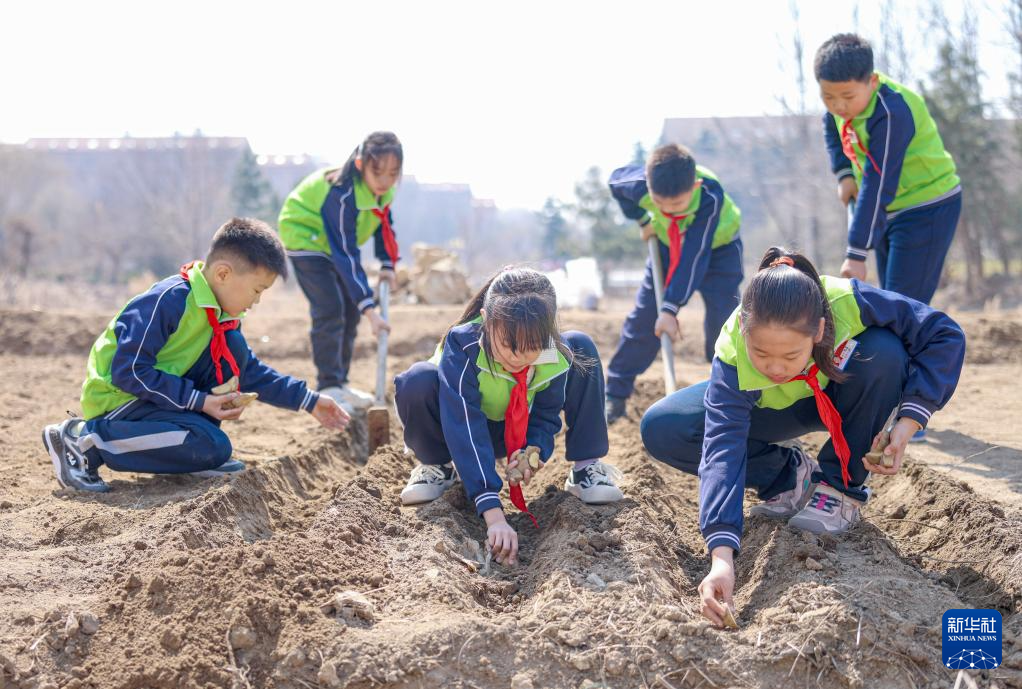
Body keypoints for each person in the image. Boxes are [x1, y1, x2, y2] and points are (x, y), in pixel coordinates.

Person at [640, 247, 965, 627]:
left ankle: (840, 488)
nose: (776, 367)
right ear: (744, 329)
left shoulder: (847, 301)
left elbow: (943, 334)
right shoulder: (732, 352)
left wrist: (909, 420)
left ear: (820, 331)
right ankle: (790, 478)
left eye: (791, 354)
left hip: (845, 392)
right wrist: (722, 558)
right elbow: (721, 451)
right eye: (762, 354)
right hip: (775, 409)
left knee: (885, 351)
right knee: (664, 427)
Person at [42, 218, 350, 492]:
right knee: (211, 445)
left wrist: (308, 400)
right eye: (257, 290)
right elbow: (130, 371)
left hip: (153, 399)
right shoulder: (169, 300)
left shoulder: (219, 315)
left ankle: (192, 453)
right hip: (118, 402)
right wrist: (199, 401)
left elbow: (248, 371)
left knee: (233, 348)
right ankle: (85, 440)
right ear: (223, 273)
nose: (256, 301)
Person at [394, 267, 624, 565]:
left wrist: (534, 449)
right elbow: (464, 423)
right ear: (486, 322)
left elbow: (546, 412)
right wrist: (493, 513)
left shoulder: (553, 350)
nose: (518, 358)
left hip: (517, 426)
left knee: (581, 346)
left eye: (531, 348)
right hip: (458, 431)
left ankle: (586, 469)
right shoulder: (463, 345)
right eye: (508, 346)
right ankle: (437, 467)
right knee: (417, 380)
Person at [817, 33, 961, 307]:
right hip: (888, 208)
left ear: (872, 82)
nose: (838, 106)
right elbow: (831, 128)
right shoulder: (840, 106)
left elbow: (878, 182)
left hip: (926, 205)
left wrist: (856, 253)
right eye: (828, 97)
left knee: (901, 306)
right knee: (892, 301)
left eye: (847, 96)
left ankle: (934, 336)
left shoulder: (892, 111)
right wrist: (844, 173)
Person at [605, 143, 743, 423]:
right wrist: (642, 219)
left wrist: (670, 308)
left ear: (695, 186)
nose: (668, 210)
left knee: (724, 321)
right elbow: (614, 183)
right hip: (668, 244)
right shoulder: (637, 184)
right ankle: (615, 394)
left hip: (718, 250)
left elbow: (695, 255)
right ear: (648, 185)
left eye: (677, 205)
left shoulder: (709, 194)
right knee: (644, 319)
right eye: (660, 204)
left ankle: (728, 394)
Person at [277, 131, 402, 409]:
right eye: (378, 172)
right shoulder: (342, 193)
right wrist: (370, 310)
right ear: (360, 165)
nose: (385, 181)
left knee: (350, 309)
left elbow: (383, 224)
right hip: (306, 237)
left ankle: (341, 383)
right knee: (331, 308)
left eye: (393, 174)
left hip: (334, 244)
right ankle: (328, 385)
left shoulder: (384, 193)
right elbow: (346, 253)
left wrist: (387, 263)